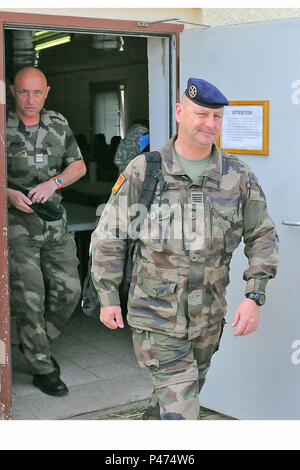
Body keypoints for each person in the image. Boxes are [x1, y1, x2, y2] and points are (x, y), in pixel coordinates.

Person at [91, 78, 279, 419]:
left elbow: (262, 235)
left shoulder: (237, 175)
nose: (210, 124)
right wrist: (107, 297)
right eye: (201, 114)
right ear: (180, 112)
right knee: (183, 414)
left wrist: (255, 296)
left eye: (217, 117)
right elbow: (110, 235)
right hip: (157, 317)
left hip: (208, 318)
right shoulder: (146, 171)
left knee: (169, 404)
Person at [7, 66, 86, 397]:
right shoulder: (2, 124)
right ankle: (42, 366)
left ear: (47, 92)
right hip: (15, 226)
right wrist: (7, 193)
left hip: (53, 223)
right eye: (24, 92)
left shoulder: (58, 123)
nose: (30, 99)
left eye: (37, 93)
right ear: (12, 91)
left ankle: (30, 344)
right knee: (30, 298)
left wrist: (53, 184)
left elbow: (78, 166)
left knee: (70, 291)